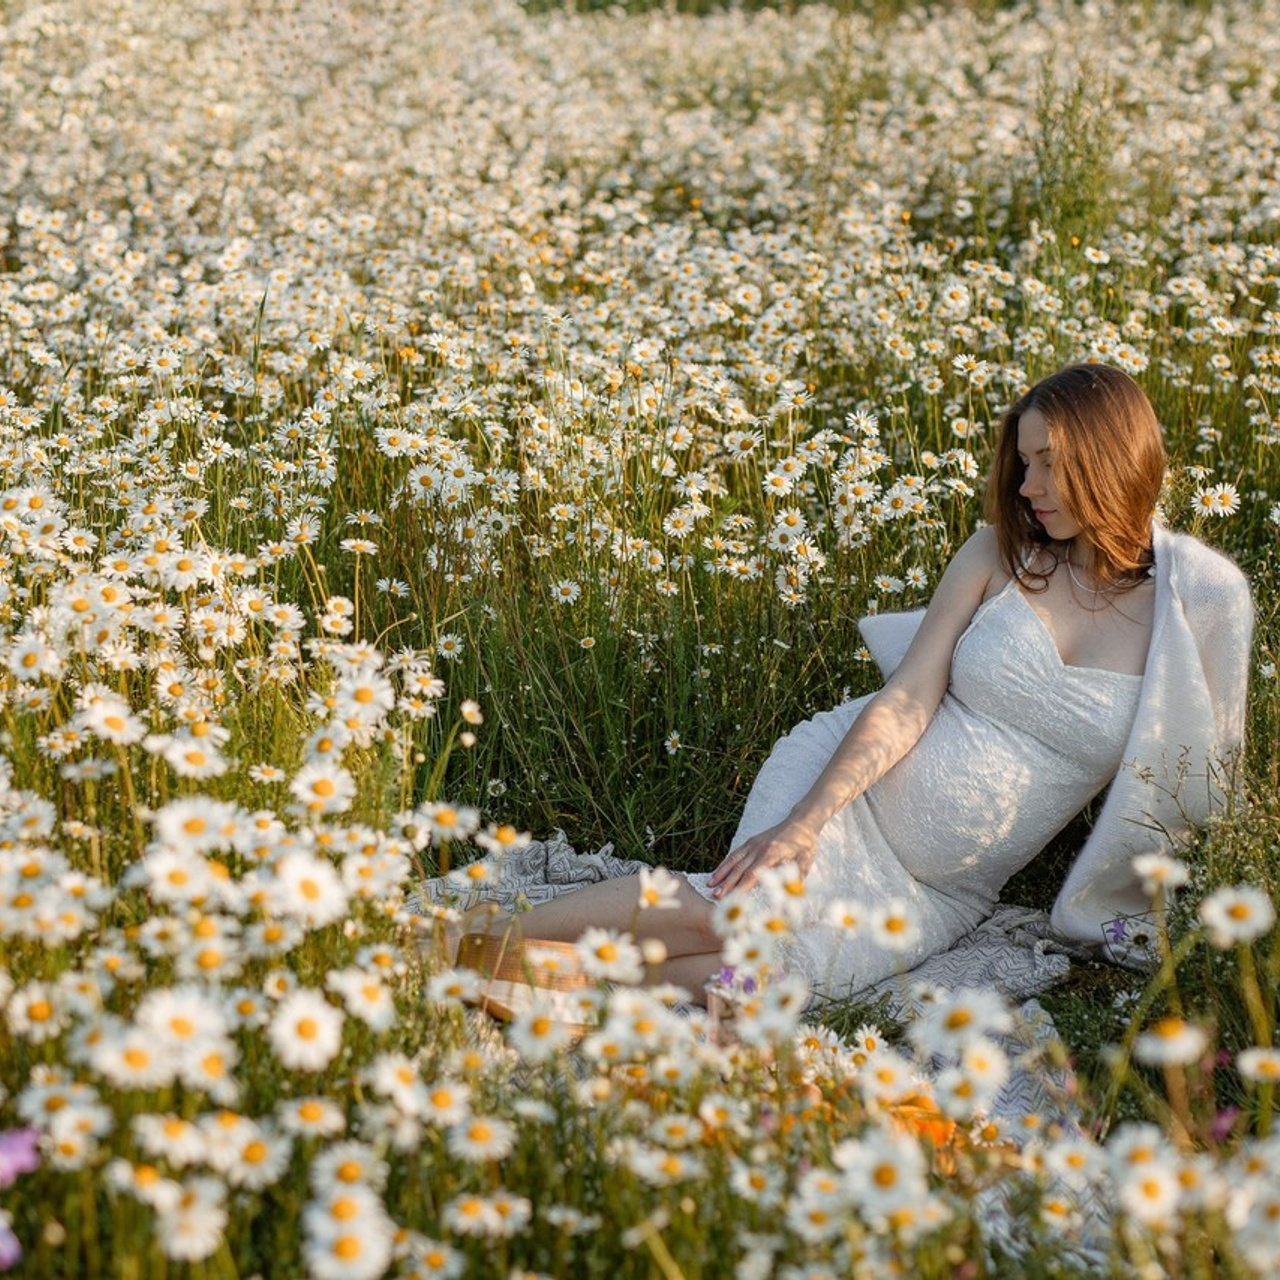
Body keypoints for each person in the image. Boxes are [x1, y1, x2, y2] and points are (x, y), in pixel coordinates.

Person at [468, 364, 1253, 1003]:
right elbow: (907, 699)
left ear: (1109, 457)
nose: (1027, 486)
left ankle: (537, 966)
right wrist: (805, 824)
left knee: (768, 983)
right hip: (846, 797)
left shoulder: (1187, 618)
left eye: (1048, 461)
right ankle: (475, 940)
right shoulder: (997, 555)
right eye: (1024, 462)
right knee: (735, 919)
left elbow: (1192, 782)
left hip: (940, 894)